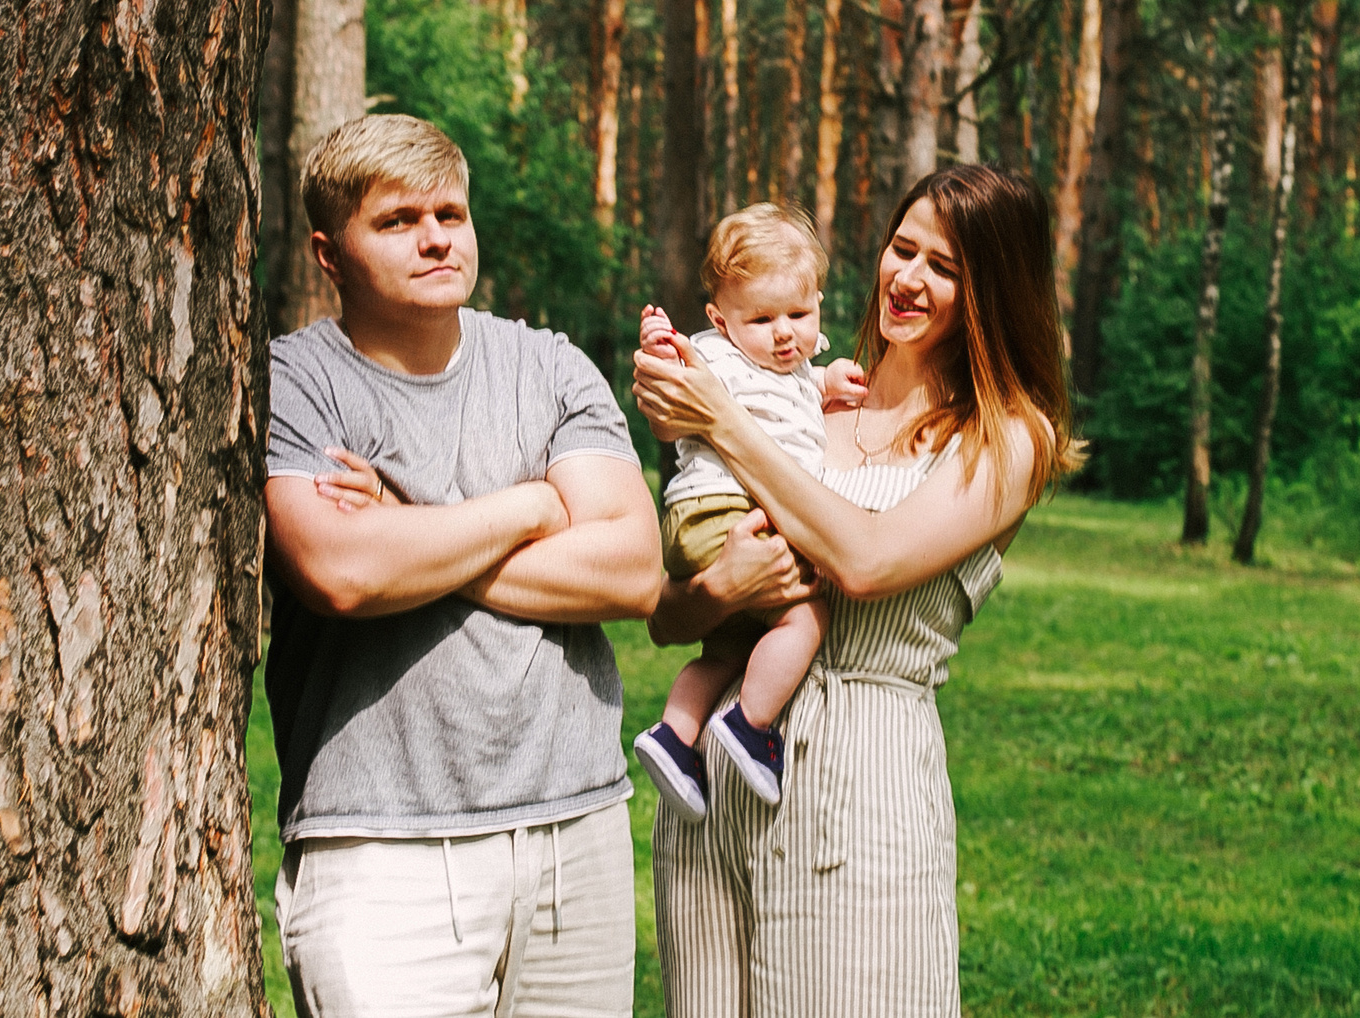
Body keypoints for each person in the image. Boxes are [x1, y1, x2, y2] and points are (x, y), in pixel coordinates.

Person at [632, 164, 1081, 1018]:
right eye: (900, 249)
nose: (907, 278)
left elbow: (865, 560)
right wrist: (719, 588)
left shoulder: (1008, 437)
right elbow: (667, 616)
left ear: (992, 290)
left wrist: (719, 413)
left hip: (858, 792)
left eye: (943, 266)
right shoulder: (804, 400)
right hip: (713, 792)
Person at [262, 114, 661, 1018]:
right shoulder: (296, 382)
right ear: (330, 253)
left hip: (575, 831)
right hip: (377, 847)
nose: (436, 237)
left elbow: (634, 570)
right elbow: (340, 573)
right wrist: (529, 507)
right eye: (398, 220)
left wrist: (411, 527)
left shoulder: (549, 367)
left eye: (451, 212)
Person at [630, 204, 865, 819]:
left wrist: (827, 380)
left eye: (799, 314)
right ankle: (751, 725)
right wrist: (662, 344)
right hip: (724, 513)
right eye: (761, 319)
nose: (784, 333)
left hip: (697, 523)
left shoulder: (788, 368)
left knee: (725, 652)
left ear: (818, 301)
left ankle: (676, 737)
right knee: (805, 618)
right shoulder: (719, 355)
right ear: (719, 320)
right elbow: (686, 372)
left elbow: (793, 388)